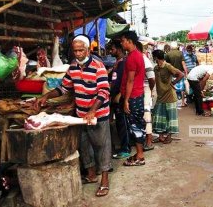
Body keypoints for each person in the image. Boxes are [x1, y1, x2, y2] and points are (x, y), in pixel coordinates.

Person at [35, 35, 111, 197]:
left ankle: (104, 180)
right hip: (80, 115)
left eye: (81, 50)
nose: (78, 53)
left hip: (98, 114)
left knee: (102, 146)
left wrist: (92, 110)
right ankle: (91, 174)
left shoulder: (99, 67)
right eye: (75, 50)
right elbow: (64, 88)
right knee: (84, 144)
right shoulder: (73, 67)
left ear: (88, 50)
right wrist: (46, 96)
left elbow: (104, 91)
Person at [119, 31, 146, 166]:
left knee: (135, 126)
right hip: (137, 94)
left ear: (129, 41)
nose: (121, 43)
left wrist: (125, 101)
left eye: (123, 40)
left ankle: (140, 156)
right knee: (137, 124)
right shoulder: (136, 55)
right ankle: (139, 153)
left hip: (133, 96)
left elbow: (130, 81)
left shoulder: (132, 57)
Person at [152, 49, 184, 144]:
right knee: (159, 117)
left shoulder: (168, 66)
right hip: (160, 96)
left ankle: (169, 136)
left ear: (156, 57)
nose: (153, 58)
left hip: (170, 96)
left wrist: (173, 82)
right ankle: (161, 137)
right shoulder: (156, 68)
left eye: (154, 57)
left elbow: (181, 74)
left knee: (170, 118)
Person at [109, 40, 131, 159]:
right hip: (115, 96)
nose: (111, 51)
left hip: (120, 98)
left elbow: (125, 81)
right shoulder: (117, 63)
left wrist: (120, 94)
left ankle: (125, 148)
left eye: (112, 49)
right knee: (119, 123)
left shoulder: (123, 63)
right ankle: (123, 146)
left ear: (118, 49)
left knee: (123, 123)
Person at [135, 41, 156, 151]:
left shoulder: (144, 60)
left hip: (145, 88)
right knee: (142, 115)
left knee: (146, 114)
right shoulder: (139, 58)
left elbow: (152, 79)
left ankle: (149, 140)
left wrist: (150, 90)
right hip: (141, 89)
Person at [165, 41, 188, 107]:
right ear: (177, 46)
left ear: (171, 47)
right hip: (180, 73)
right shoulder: (180, 53)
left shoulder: (168, 54)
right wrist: (186, 73)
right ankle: (183, 102)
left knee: (173, 88)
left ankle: (174, 102)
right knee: (182, 89)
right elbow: (183, 64)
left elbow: (166, 65)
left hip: (171, 73)